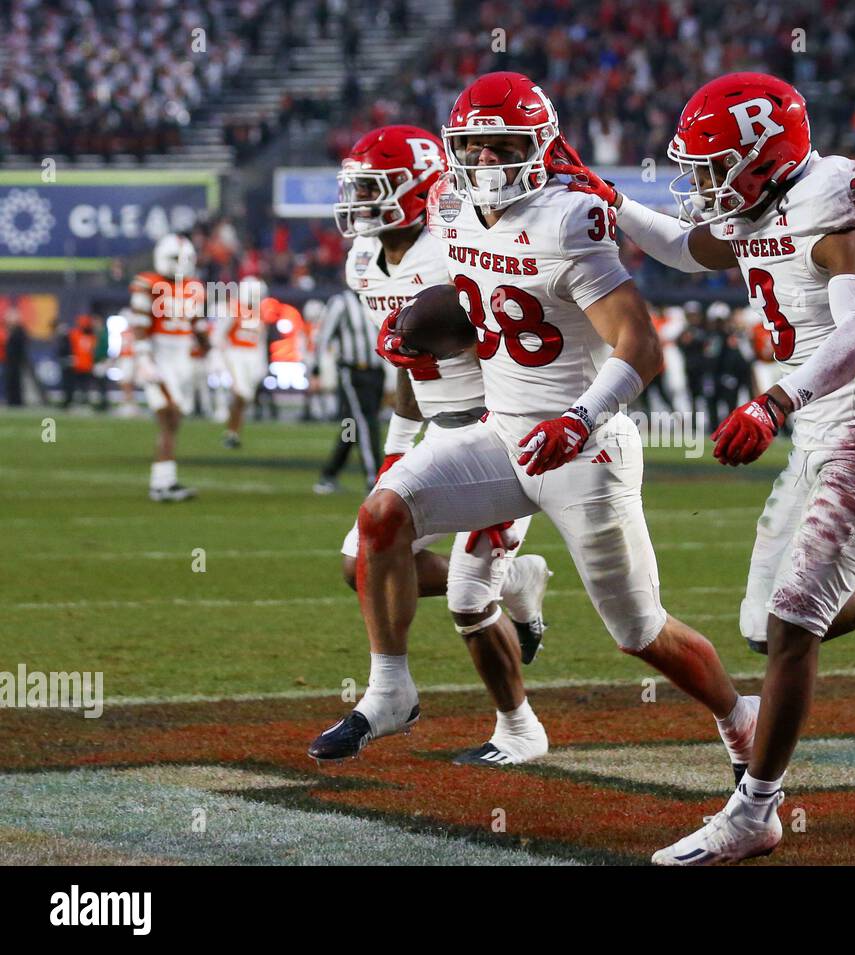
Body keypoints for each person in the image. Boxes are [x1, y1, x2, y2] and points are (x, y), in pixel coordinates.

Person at [561, 71, 855, 864]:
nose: (701, 185)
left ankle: (755, 810)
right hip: (819, 432)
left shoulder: (834, 199)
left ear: (764, 159)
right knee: (762, 628)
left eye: (712, 167)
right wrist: (611, 197)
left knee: (793, 623)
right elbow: (688, 248)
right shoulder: (754, 205)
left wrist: (775, 400)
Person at [310, 74, 756, 783]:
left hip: (587, 448)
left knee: (639, 631)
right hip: (500, 434)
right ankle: (390, 690)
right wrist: (419, 336)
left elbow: (641, 345)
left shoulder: (568, 216)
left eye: (505, 145)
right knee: (382, 515)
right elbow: (483, 308)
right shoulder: (451, 214)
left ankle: (741, 716)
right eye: (473, 147)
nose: (487, 162)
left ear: (541, 146)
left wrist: (580, 420)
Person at [309, 123, 553, 767]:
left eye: (374, 187)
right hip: (438, 433)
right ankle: (518, 583)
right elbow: (406, 367)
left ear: (417, 190)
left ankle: (519, 727)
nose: (361, 202)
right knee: (361, 560)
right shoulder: (363, 259)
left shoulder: (460, 240)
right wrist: (396, 448)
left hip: (501, 428)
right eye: (357, 188)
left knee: (470, 598)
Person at [130, 233, 204, 501]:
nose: (181, 264)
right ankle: (162, 484)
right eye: (176, 258)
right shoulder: (148, 284)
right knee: (167, 417)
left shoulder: (193, 287)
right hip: (159, 356)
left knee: (174, 421)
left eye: (185, 259)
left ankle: (164, 481)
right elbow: (139, 325)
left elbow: (196, 324)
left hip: (182, 357)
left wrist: (210, 351)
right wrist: (144, 359)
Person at [310, 288, 386, 493]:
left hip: (377, 371)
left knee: (351, 426)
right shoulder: (340, 302)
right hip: (353, 372)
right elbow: (324, 336)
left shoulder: (377, 296)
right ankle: (374, 477)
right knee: (366, 422)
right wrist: (315, 368)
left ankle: (329, 475)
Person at [212, 277, 271, 448]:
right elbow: (218, 335)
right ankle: (229, 426)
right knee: (241, 393)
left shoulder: (259, 313)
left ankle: (233, 433)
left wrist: (262, 362)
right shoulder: (232, 308)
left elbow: (260, 340)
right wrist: (219, 357)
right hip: (236, 354)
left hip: (252, 356)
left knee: (245, 397)